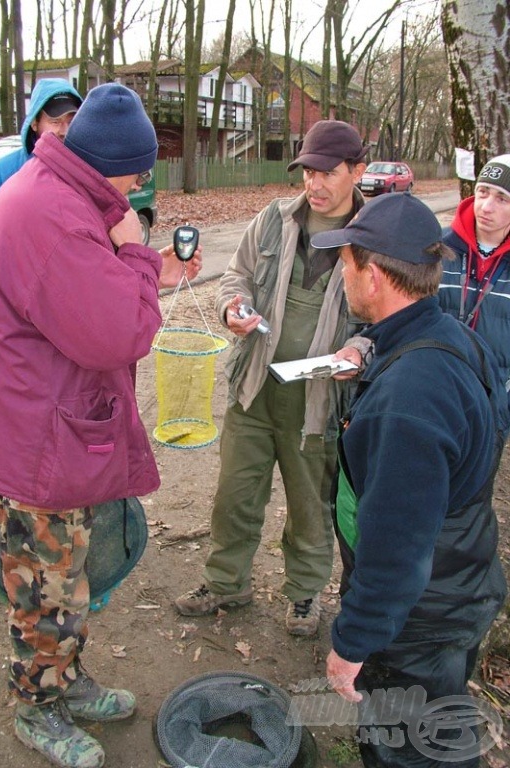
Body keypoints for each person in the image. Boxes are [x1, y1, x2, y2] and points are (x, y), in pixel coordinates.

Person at [0, 83, 198, 768]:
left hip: (38, 419)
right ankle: (37, 704)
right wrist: (139, 250)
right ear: (116, 162)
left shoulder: (60, 193)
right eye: (140, 172)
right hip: (33, 442)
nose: (141, 185)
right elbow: (122, 333)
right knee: (45, 587)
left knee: (66, 575)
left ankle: (66, 680)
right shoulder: (56, 217)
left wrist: (122, 250)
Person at [309, 193, 507, 767]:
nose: (343, 276)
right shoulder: (448, 336)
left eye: (346, 264)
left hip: (419, 616)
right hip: (460, 578)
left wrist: (354, 643)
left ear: (373, 276)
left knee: (411, 749)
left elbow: (397, 549)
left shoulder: (408, 401)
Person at [175, 120, 369, 636]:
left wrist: (361, 348)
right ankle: (225, 583)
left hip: (319, 402)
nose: (315, 184)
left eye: (328, 173)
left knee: (310, 507)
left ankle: (304, 594)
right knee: (235, 496)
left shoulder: (373, 238)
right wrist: (231, 307)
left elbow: (390, 316)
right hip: (254, 389)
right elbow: (235, 276)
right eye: (308, 171)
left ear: (358, 171)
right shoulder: (272, 221)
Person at [0, 78, 84, 269]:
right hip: (14, 285)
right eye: (55, 121)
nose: (64, 131)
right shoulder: (2, 173)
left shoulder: (85, 173)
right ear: (35, 123)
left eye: (71, 121)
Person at [439, 154, 510, 420]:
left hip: (492, 410)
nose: (486, 207)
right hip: (434, 396)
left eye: (502, 198)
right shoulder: (438, 248)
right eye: (482, 192)